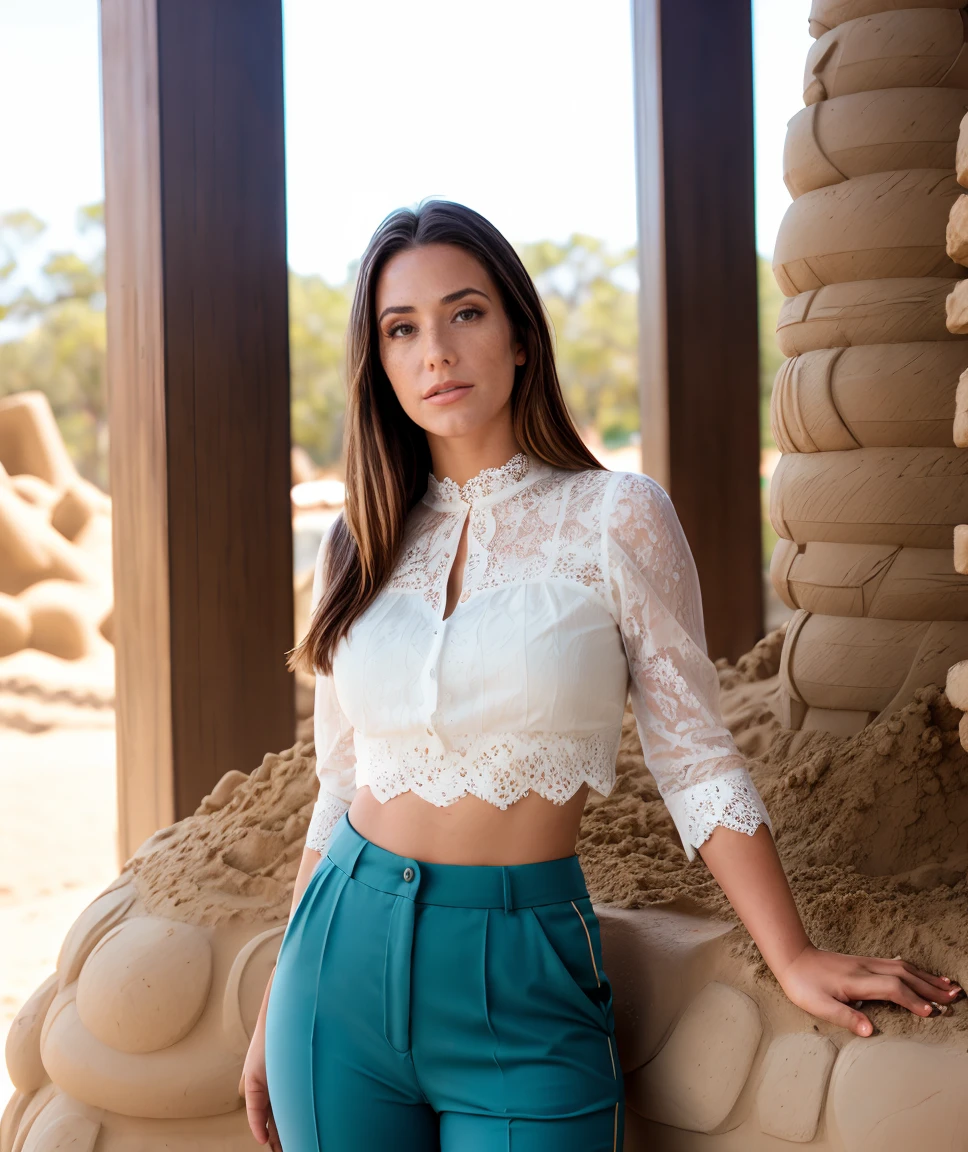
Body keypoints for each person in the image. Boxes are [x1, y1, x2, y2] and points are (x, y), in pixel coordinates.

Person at [239, 199, 962, 1151]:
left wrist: (790, 955)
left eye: (466, 314)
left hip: (522, 971)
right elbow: (340, 780)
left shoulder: (616, 517)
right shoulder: (357, 542)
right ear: (378, 362)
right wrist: (277, 998)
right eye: (401, 329)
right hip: (335, 971)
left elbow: (695, 757)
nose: (436, 353)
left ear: (521, 336)